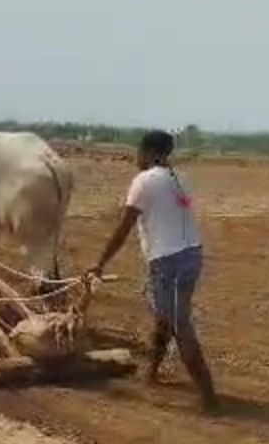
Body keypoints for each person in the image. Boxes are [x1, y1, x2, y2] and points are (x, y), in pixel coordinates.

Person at [89, 129, 219, 413]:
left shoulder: (144, 181)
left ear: (149, 152)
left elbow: (124, 227)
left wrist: (99, 263)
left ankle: (209, 396)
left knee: (179, 325)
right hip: (191, 257)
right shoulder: (180, 179)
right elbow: (178, 212)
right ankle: (152, 372)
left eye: (139, 151)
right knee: (166, 317)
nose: (136, 157)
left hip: (167, 262)